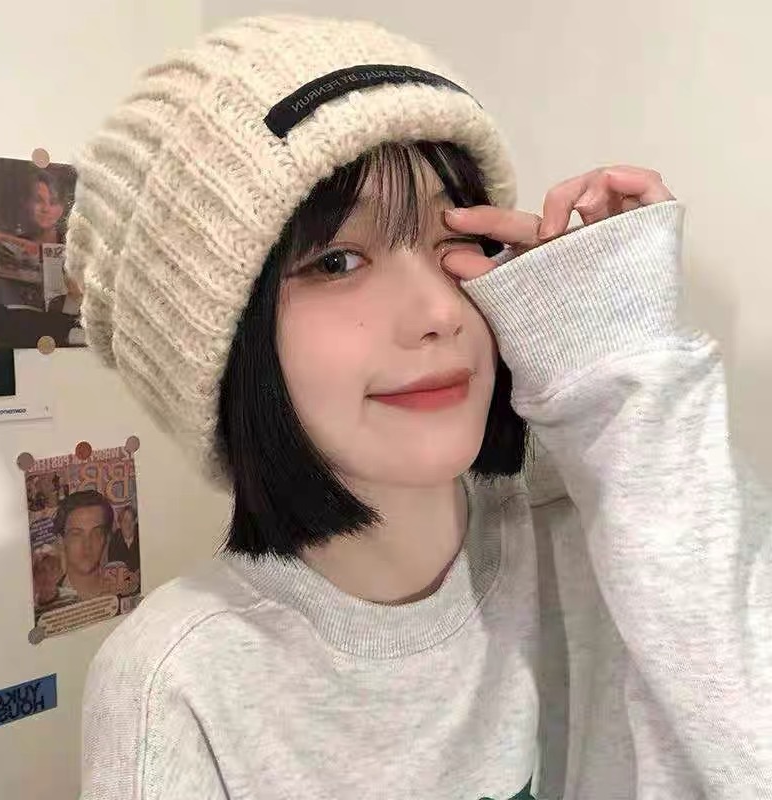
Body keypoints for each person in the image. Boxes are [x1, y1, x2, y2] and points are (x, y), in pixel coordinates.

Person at [67, 15, 771, 800]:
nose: (439, 310)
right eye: (338, 260)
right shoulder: (179, 679)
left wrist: (623, 359)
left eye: (451, 240)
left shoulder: (615, 520)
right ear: (219, 350)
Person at [53, 490, 112, 601]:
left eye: (96, 534)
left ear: (106, 539)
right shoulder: (49, 602)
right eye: (76, 534)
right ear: (61, 541)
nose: (87, 545)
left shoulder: (122, 589)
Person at [107, 505, 140, 573]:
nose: (128, 525)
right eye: (125, 521)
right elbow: (113, 567)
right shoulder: (114, 541)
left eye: (131, 521)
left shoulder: (141, 537)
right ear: (119, 524)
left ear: (135, 522)